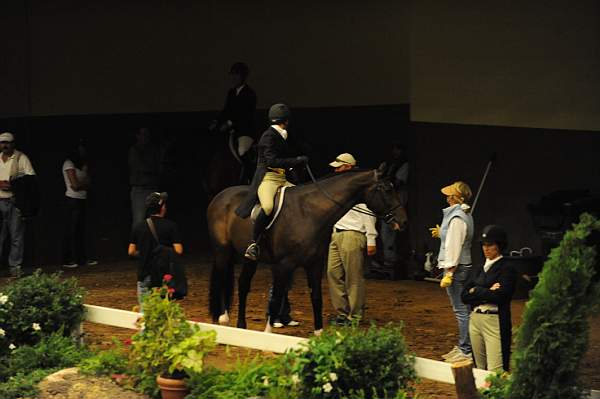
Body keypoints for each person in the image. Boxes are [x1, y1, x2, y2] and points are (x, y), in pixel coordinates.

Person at [235, 103, 308, 261]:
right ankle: (254, 243)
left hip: (282, 179)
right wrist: (295, 160)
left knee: (301, 200)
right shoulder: (268, 136)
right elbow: (271, 161)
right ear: (286, 121)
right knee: (268, 207)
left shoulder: (283, 135)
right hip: (268, 179)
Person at [327, 153, 377, 325]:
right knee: (333, 273)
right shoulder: (339, 185)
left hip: (352, 233)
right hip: (337, 233)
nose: (336, 170)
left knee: (353, 277)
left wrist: (371, 239)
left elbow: (368, 212)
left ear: (348, 167)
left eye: (339, 167)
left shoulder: (358, 186)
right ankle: (342, 312)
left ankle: (354, 316)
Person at [461, 225, 517, 372]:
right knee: (478, 368)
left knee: (495, 370)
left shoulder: (507, 268)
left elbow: (501, 296)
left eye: (490, 245)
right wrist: (486, 291)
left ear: (499, 246)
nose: (486, 249)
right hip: (475, 319)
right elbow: (464, 296)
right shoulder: (479, 268)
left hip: (494, 319)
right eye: (484, 245)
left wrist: (477, 290)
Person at [430, 181, 474, 363]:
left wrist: (449, 272)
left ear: (457, 198)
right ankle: (465, 346)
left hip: (457, 267)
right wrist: (442, 234)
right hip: (460, 265)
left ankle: (466, 349)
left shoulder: (457, 218)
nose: (447, 198)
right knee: (462, 309)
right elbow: (453, 238)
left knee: (461, 310)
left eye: (451, 195)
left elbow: (454, 246)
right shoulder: (460, 215)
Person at [128, 192, 183, 305]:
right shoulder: (171, 226)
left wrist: (144, 253)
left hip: (144, 275)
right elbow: (178, 250)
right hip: (163, 276)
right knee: (164, 312)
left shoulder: (138, 227)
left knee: (146, 313)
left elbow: (131, 251)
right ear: (162, 207)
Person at [0, 132, 36, 278]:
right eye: (2, 142)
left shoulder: (21, 158)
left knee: (16, 236)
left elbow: (30, 179)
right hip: (0, 200)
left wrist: (14, 185)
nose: (5, 145)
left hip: (14, 201)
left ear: (13, 143)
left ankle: (15, 267)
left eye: (7, 142)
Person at [371, 142, 409, 277]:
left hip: (397, 202)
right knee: (384, 231)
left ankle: (391, 263)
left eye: (398, 151)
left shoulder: (404, 165)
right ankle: (387, 262)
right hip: (387, 203)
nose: (395, 154)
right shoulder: (391, 164)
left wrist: (386, 178)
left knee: (392, 230)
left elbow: (397, 183)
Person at [62, 140, 98, 268]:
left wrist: (84, 183)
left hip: (82, 199)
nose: (83, 152)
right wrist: (84, 185)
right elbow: (75, 185)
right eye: (81, 150)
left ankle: (81, 259)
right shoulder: (68, 163)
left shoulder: (83, 165)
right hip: (73, 200)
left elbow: (89, 182)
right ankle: (68, 259)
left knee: (81, 231)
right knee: (72, 230)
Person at [211, 62, 258, 143]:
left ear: (243, 76)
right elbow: (226, 109)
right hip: (231, 131)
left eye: (237, 74)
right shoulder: (231, 92)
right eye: (232, 75)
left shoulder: (250, 94)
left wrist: (229, 123)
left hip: (244, 132)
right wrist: (216, 121)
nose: (234, 78)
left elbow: (244, 114)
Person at [129, 128, 163, 230]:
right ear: (137, 136)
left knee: (154, 222)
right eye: (143, 134)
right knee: (138, 222)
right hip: (140, 190)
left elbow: (159, 168)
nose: (146, 137)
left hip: (152, 188)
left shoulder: (153, 151)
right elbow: (140, 168)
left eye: (147, 134)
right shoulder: (134, 150)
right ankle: (135, 245)